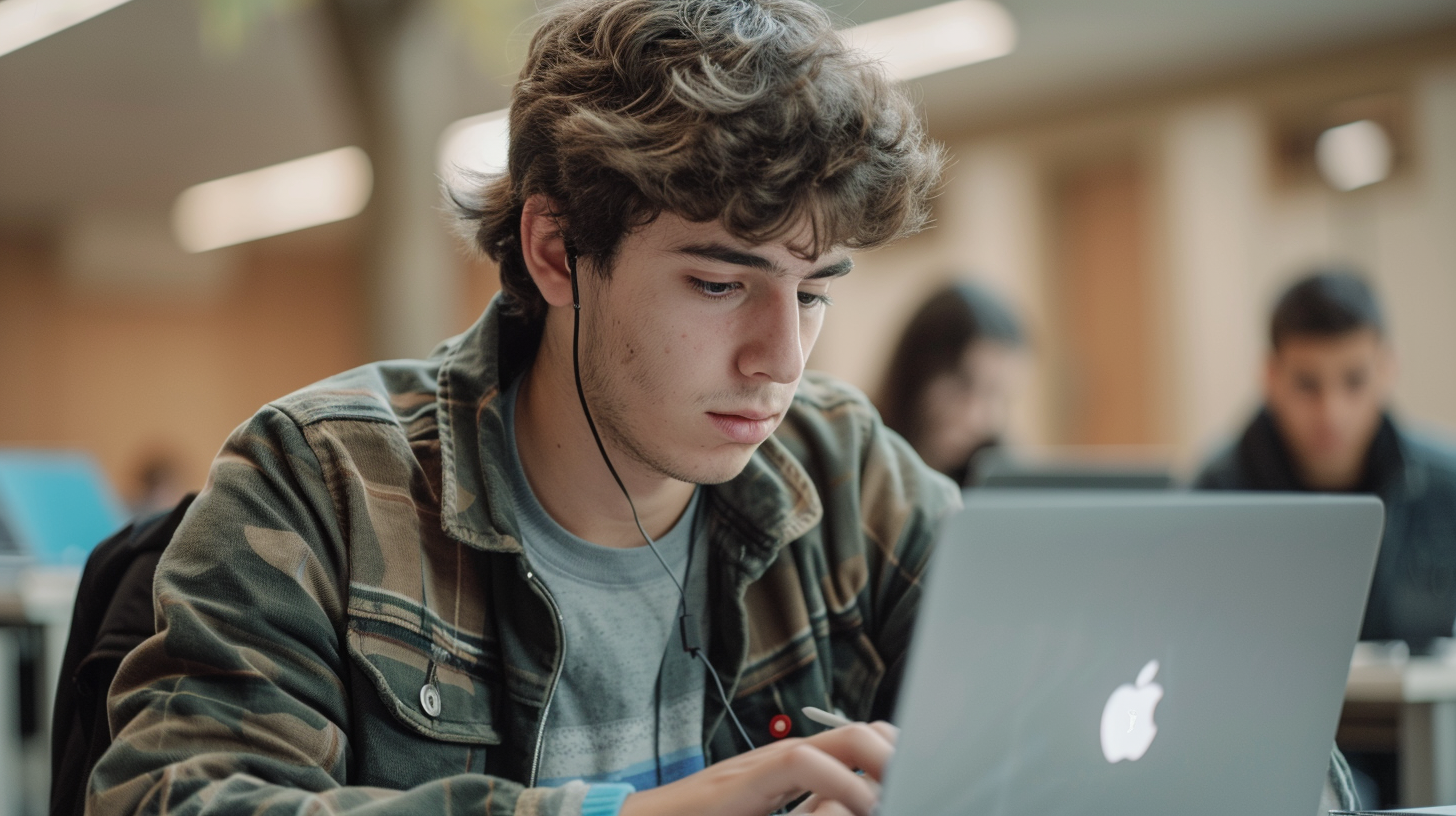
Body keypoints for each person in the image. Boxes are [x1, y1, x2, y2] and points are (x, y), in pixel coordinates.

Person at [87, 2, 958, 816]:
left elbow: (1050, 703)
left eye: (811, 294)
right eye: (720, 283)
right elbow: (172, 796)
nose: (783, 361)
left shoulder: (846, 467)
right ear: (556, 251)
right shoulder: (324, 482)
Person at [1195, 269, 1456, 651]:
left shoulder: (1446, 488)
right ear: (1270, 377)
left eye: (1354, 380)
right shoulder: (1212, 495)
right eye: (1307, 384)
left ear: (1388, 369)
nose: (1331, 412)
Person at [876, 281, 1026, 486]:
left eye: (995, 393)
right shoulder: (858, 458)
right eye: (962, 383)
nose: (975, 417)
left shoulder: (1002, 481)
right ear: (917, 371)